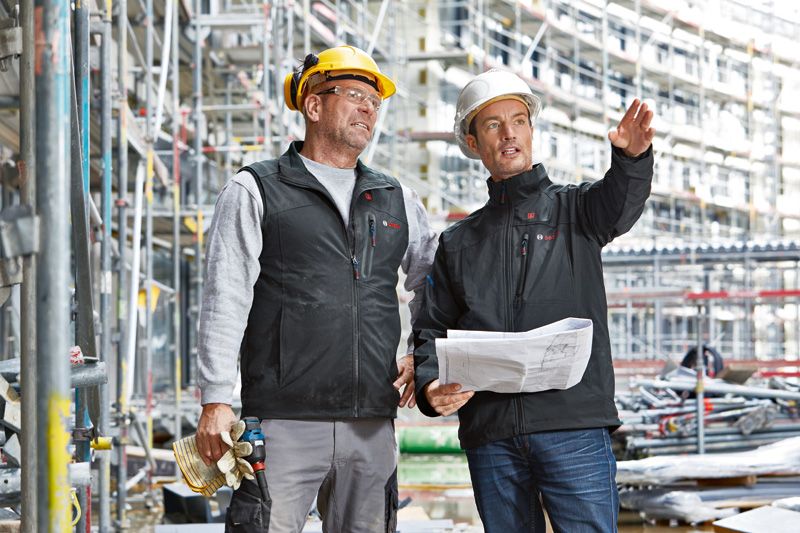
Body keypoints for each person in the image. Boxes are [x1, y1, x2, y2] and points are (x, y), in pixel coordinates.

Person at [196, 45, 437, 532]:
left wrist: (424, 353)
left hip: (371, 421)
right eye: (354, 94)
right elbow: (226, 296)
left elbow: (432, 281)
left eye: (375, 99)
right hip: (283, 422)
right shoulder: (256, 189)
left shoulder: (397, 199)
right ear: (313, 105)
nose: (369, 107)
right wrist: (216, 399)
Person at [413, 69, 655, 532]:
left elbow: (620, 203)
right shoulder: (458, 243)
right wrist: (429, 387)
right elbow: (432, 330)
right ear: (472, 141)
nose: (509, 134)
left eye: (519, 120)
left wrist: (630, 158)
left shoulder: (577, 211)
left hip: (573, 428)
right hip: (493, 436)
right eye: (493, 124)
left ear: (531, 129)